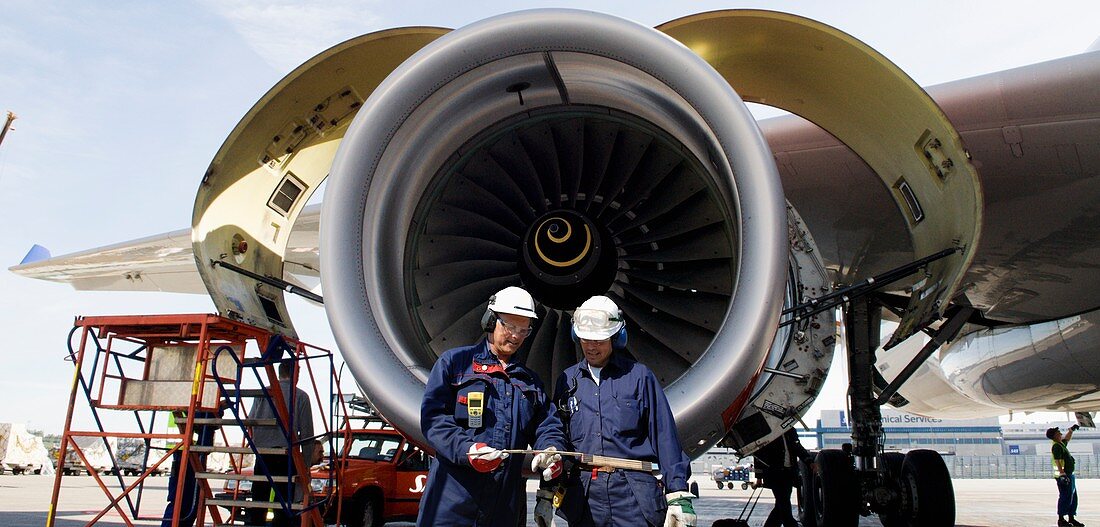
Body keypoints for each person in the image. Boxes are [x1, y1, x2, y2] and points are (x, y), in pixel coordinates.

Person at [416, 286, 566, 527]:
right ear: (490, 321)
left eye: (524, 330)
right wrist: (467, 449)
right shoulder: (455, 364)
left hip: (502, 507)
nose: (516, 336)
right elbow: (434, 420)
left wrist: (551, 449)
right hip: (451, 503)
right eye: (510, 327)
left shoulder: (529, 382)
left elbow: (547, 424)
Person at [552, 295, 695, 527]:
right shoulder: (567, 381)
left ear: (616, 337)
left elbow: (664, 435)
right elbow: (557, 436)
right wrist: (548, 490)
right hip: (585, 495)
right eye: (585, 339)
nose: (591, 346)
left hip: (633, 494)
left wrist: (678, 492)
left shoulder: (639, 377)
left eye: (598, 340)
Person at [248, 359, 314, 527]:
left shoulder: (263, 392)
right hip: (286, 456)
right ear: (296, 373)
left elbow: (251, 422)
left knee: (259, 499)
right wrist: (305, 466)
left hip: (263, 454)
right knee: (284, 504)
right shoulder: (300, 396)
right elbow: (307, 434)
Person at [753, 428, 811, 527]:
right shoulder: (766, 431)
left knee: (781, 504)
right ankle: (791, 524)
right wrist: (759, 478)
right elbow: (758, 455)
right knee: (784, 503)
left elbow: (797, 447)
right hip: (774, 474)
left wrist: (809, 461)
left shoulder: (790, 430)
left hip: (789, 473)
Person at [1047, 425, 1085, 527]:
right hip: (1064, 476)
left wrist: (1071, 430)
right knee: (1065, 497)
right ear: (1054, 436)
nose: (1060, 433)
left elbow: (1067, 439)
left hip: (1069, 475)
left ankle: (1071, 518)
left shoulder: (1060, 444)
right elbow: (1057, 460)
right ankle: (1061, 519)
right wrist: (1062, 474)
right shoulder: (1056, 446)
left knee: (1072, 497)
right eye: (1058, 433)